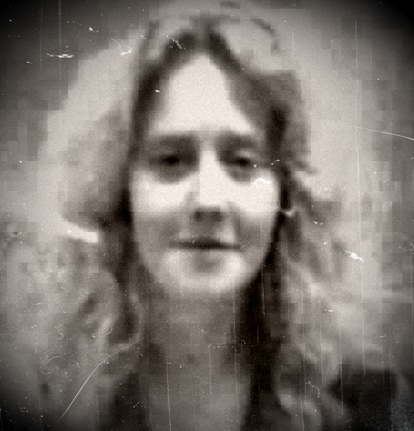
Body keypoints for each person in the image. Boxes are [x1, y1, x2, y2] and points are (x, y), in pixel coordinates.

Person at [1, 1, 412, 430]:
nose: (209, 201)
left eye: (243, 161)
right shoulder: (41, 393)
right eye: (171, 160)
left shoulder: (368, 403)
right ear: (117, 191)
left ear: (288, 195)